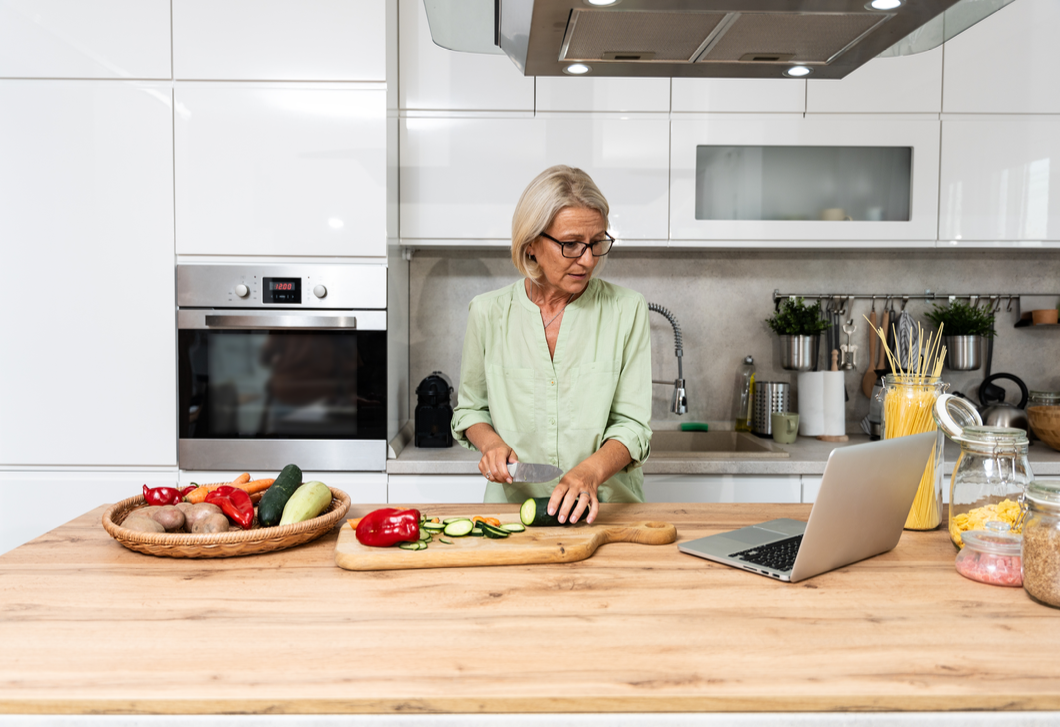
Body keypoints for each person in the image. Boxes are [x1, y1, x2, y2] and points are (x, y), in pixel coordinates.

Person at [450, 165, 652, 525]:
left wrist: (590, 472)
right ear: (531, 244)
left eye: (596, 243)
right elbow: (470, 411)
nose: (588, 259)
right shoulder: (487, 313)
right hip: (513, 514)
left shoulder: (627, 309)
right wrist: (492, 446)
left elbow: (633, 425)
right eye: (571, 244)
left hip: (608, 515)